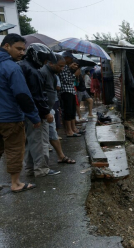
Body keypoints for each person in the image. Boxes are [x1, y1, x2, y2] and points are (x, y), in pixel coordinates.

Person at [0, 34, 40, 192]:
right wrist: (34, 117)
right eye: (18, 49)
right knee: (15, 149)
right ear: (6, 46)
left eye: (23, 49)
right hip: (10, 117)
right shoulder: (12, 68)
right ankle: (15, 183)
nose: (22, 53)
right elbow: (22, 95)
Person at [19, 43, 60, 178]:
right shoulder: (33, 71)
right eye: (44, 59)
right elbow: (37, 96)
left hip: (24, 113)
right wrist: (45, 112)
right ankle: (42, 169)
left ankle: (31, 169)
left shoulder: (22, 66)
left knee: (30, 142)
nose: (45, 62)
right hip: (35, 113)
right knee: (40, 141)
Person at [40, 53, 75, 164]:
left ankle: (61, 156)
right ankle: (40, 167)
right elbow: (39, 94)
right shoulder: (42, 73)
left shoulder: (53, 74)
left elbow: (54, 90)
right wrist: (46, 111)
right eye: (60, 66)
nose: (62, 69)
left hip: (49, 108)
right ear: (51, 63)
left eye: (63, 66)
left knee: (53, 133)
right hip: (43, 110)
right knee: (42, 138)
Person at [58, 51, 82, 137]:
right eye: (70, 58)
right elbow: (66, 80)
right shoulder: (63, 67)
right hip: (66, 91)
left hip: (71, 91)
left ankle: (73, 128)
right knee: (67, 112)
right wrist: (74, 75)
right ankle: (69, 131)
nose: (71, 60)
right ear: (66, 58)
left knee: (72, 111)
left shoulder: (68, 68)